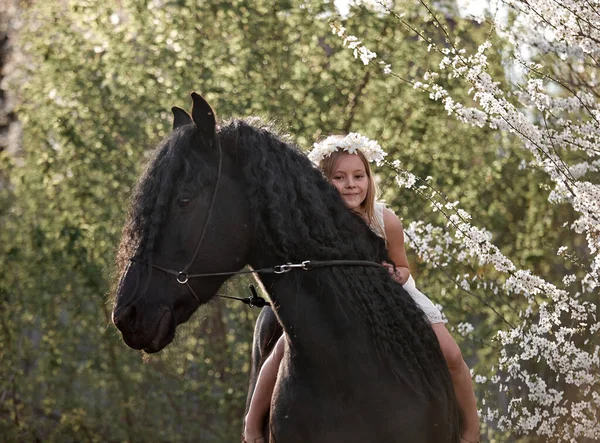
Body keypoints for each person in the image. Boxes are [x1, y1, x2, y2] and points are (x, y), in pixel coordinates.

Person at [243, 133, 480, 443]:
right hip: (334, 304)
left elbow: (403, 267)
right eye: (339, 178)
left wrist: (395, 274)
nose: (351, 184)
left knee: (451, 354)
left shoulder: (384, 220)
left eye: (358, 176)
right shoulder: (315, 225)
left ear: (369, 178)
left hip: (391, 297)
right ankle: (251, 424)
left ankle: (471, 430)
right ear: (323, 183)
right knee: (281, 350)